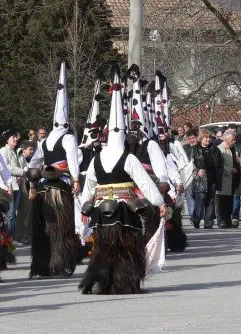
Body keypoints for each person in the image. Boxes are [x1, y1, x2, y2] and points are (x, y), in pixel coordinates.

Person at [78, 70, 166, 294]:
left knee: (103, 245)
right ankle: (125, 281)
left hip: (101, 209)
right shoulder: (129, 158)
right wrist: (159, 202)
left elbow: (89, 185)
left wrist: (84, 207)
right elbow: (144, 182)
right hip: (126, 209)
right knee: (127, 245)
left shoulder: (97, 158)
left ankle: (101, 280)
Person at [27, 62, 80, 279]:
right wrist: (76, 180)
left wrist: (32, 183)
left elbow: (33, 164)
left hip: (43, 186)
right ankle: (61, 263)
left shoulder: (46, 140)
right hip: (61, 183)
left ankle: (42, 264)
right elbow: (73, 160)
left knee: (43, 228)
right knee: (63, 226)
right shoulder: (68, 137)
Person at [190, 129, 222, 229]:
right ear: (201, 139)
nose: (208, 140)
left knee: (210, 202)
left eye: (209, 138)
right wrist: (196, 171)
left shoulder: (215, 149)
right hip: (200, 180)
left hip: (212, 179)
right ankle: (196, 220)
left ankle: (208, 223)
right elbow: (189, 164)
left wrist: (218, 177)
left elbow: (220, 164)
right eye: (206, 138)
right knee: (200, 200)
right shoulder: (195, 149)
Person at [0, 130, 23, 240]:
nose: (15, 139)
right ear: (7, 139)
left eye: (15, 137)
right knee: (9, 214)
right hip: (8, 187)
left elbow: (20, 166)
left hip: (16, 186)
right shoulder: (3, 151)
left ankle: (11, 238)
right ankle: (7, 239)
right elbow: (7, 168)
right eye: (13, 137)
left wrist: (21, 176)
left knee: (14, 213)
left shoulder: (14, 151)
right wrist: (23, 172)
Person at [215, 130, 240, 228]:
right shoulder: (219, 149)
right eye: (232, 140)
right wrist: (230, 170)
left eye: (234, 140)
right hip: (223, 179)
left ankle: (227, 220)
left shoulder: (232, 148)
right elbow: (218, 165)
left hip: (231, 179)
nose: (234, 142)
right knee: (221, 201)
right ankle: (221, 221)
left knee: (229, 201)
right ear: (226, 139)